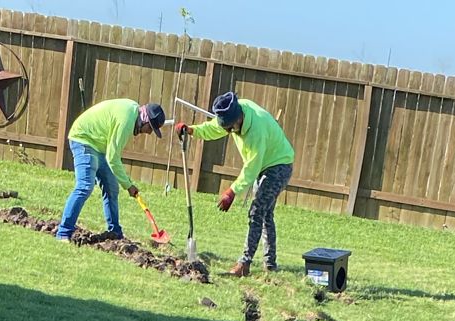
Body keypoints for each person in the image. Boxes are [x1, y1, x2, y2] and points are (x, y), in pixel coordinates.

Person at [176, 92, 294, 277]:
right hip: (265, 163)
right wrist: (192, 130)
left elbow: (251, 169)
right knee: (265, 213)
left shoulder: (256, 130)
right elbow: (214, 128)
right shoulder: (233, 112)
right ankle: (270, 264)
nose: (230, 132)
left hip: (279, 165)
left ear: (239, 118)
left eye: (231, 128)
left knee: (257, 211)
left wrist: (232, 192)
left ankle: (244, 264)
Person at [56, 100, 166, 243]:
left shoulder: (133, 111)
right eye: (150, 128)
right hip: (84, 139)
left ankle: (115, 232)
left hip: (100, 146)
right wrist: (128, 185)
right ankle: (63, 233)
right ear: (145, 120)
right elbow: (113, 158)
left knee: (112, 188)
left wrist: (126, 183)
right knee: (85, 186)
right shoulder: (126, 121)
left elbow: (111, 155)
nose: (149, 133)